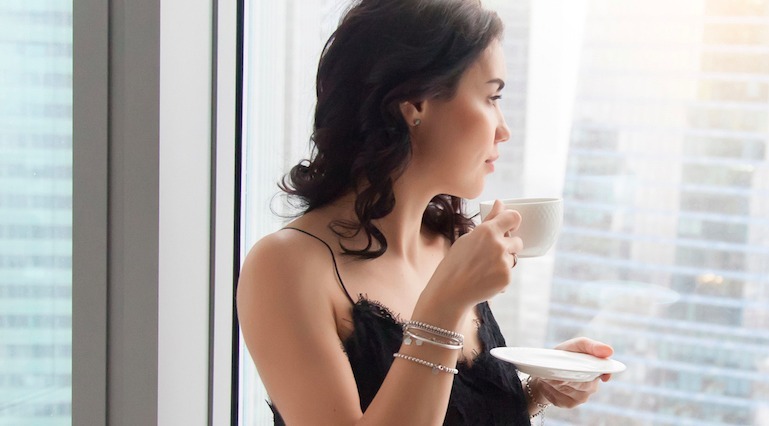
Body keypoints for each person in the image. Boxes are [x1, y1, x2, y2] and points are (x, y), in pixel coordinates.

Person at [236, 0, 612, 424]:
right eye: (491, 97)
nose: (503, 130)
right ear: (414, 103)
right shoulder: (286, 267)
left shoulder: (445, 242)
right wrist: (446, 301)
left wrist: (535, 390)